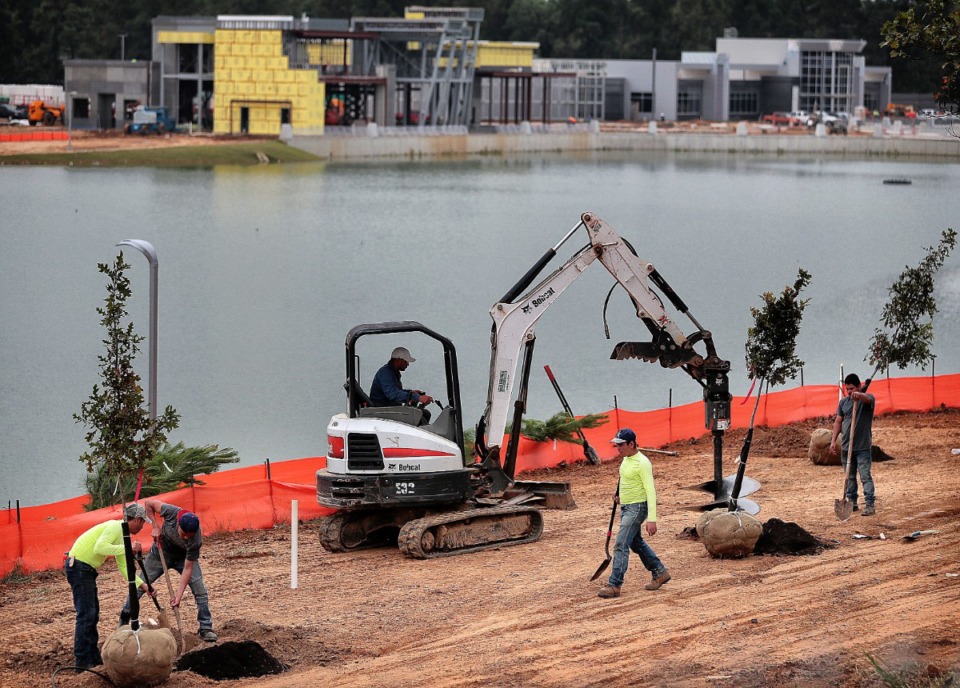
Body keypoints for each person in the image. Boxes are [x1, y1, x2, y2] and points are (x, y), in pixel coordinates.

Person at [65, 502, 155, 669]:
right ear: (135, 520)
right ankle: (83, 662)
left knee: (93, 614)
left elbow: (123, 567)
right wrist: (128, 547)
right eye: (142, 522)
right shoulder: (115, 527)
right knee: (86, 615)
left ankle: (93, 657)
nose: (143, 527)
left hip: (86, 570)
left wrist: (143, 585)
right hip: (79, 567)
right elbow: (100, 548)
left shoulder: (123, 535)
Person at [120, 499, 218, 642]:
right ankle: (123, 621)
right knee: (139, 585)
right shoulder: (172, 512)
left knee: (200, 589)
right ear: (178, 523)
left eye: (188, 536)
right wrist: (155, 525)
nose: (185, 537)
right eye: (183, 533)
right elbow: (148, 504)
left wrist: (178, 597)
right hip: (160, 552)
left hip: (183, 557)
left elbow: (188, 568)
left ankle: (205, 627)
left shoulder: (195, 540)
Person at [598, 428, 671, 598]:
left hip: (637, 508)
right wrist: (620, 497)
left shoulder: (643, 463)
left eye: (621, 445)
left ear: (631, 444)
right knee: (635, 543)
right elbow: (628, 482)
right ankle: (660, 572)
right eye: (616, 445)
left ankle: (615, 584)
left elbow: (650, 491)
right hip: (626, 506)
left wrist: (652, 519)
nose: (618, 448)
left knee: (620, 544)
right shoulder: (626, 460)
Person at [830, 373, 876, 516]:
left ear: (859, 386)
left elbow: (868, 399)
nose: (849, 391)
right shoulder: (843, 402)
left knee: (865, 476)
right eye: (847, 389)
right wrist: (833, 441)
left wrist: (859, 395)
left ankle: (869, 504)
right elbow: (838, 421)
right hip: (846, 446)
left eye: (852, 388)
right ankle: (852, 502)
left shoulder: (867, 400)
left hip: (862, 447)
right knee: (849, 477)